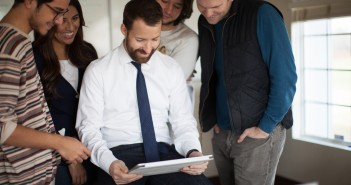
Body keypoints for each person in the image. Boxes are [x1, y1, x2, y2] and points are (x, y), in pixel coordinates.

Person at [75, 0, 212, 185]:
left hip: (164, 153)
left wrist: (192, 152)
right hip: (118, 154)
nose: (148, 49)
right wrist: (110, 163)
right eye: (140, 40)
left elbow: (183, 122)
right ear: (124, 30)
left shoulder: (170, 68)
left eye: (155, 39)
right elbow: (88, 128)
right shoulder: (98, 71)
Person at [196, 0, 297, 184]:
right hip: (222, 131)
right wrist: (214, 117)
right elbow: (211, 75)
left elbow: (285, 77)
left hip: (258, 131)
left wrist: (265, 127)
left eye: (215, 7)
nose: (208, 14)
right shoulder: (204, 23)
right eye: (202, 7)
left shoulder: (263, 14)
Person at [0, 0, 91, 184]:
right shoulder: (9, 47)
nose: (58, 22)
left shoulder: (20, 43)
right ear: (30, 2)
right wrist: (60, 142)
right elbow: (2, 125)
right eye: (57, 12)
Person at [32, 0, 98, 184]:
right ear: (51, 20)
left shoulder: (87, 53)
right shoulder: (33, 58)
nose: (70, 26)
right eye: (63, 18)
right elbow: (36, 117)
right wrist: (70, 159)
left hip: (91, 147)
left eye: (75, 18)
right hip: (55, 154)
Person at [156, 0, 198, 106]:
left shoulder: (188, 39)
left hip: (169, 113)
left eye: (177, 6)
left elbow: (170, 83)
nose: (169, 10)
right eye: (164, 1)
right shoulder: (138, 27)